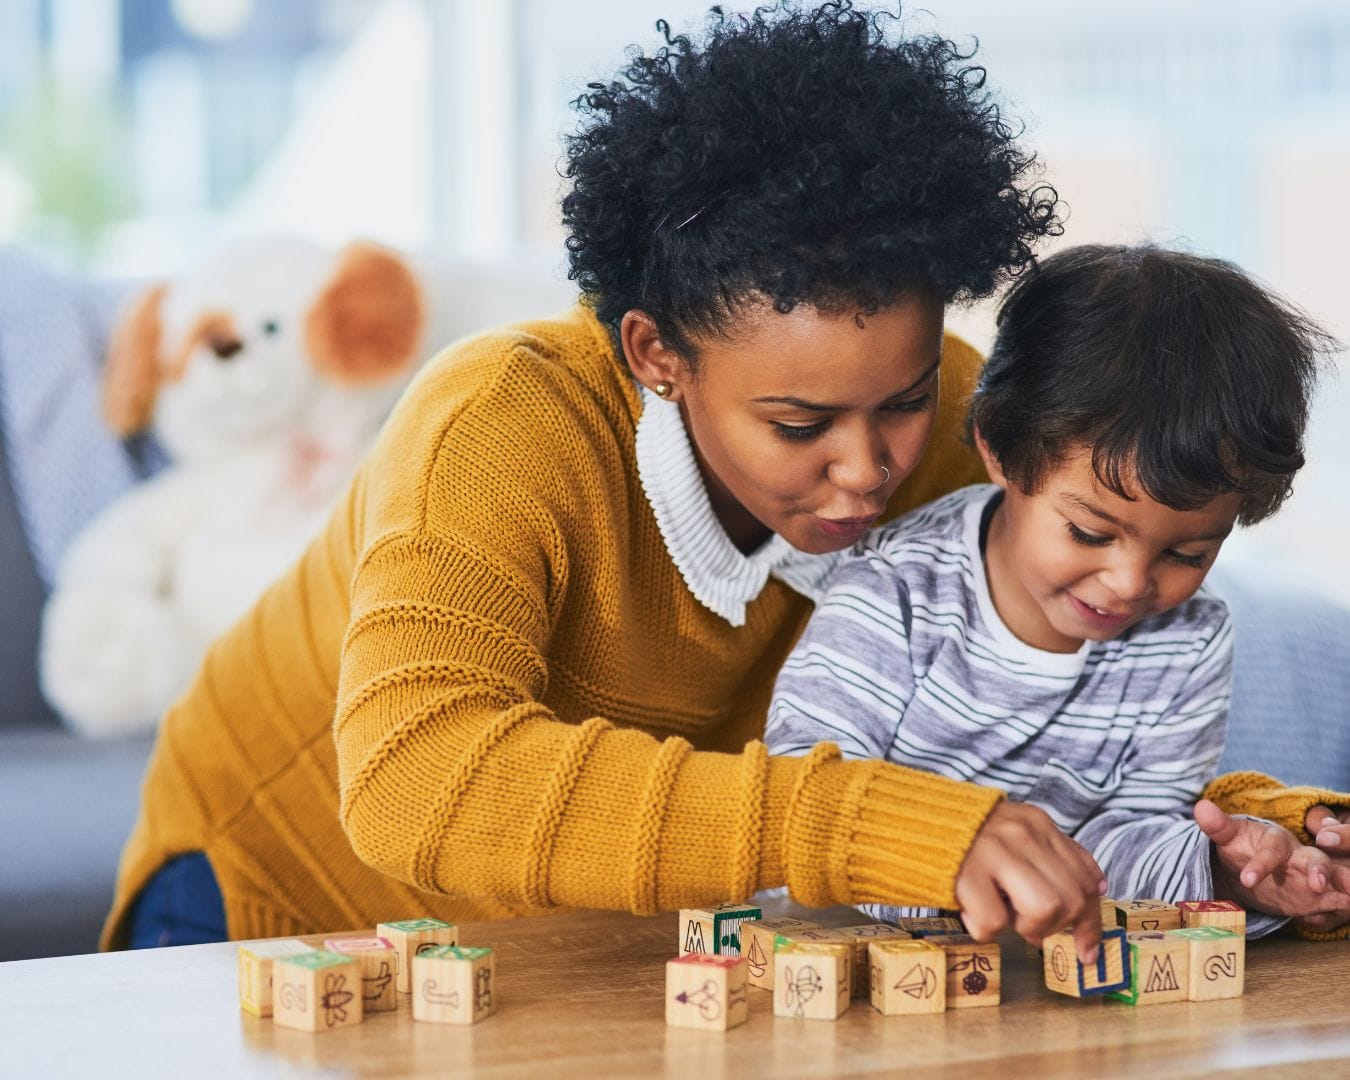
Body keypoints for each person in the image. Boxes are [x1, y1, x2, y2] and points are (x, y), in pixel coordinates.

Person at [102, 3, 1348, 957]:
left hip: (584, 932)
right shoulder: (500, 424)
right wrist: (862, 822)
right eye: (799, 420)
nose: (869, 468)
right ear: (659, 354)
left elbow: (1044, 738)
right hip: (277, 891)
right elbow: (421, 780)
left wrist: (1245, 832)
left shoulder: (985, 430)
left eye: (906, 398)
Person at [765, 243, 1350, 937]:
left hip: (1044, 993)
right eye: (1089, 533)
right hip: (862, 973)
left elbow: (1127, 845)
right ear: (1002, 449)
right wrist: (946, 859)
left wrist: (1222, 875)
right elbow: (805, 799)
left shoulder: (1189, 639)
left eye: (1187, 552)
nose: (1130, 584)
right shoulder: (892, 594)